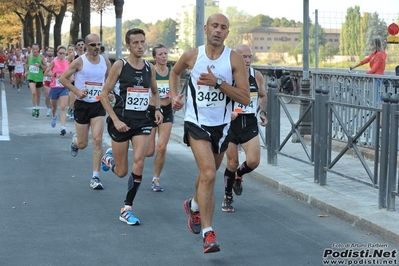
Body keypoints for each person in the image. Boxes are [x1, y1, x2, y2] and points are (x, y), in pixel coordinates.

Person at [170, 13, 250, 253]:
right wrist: (175, 96)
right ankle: (208, 233)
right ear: (206, 28)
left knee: (208, 175)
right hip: (196, 122)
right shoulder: (192, 55)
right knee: (208, 173)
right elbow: (174, 73)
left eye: (223, 27)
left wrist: (218, 83)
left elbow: (245, 97)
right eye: (214, 26)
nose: (218, 30)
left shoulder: (234, 59)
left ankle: (194, 204)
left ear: (227, 32)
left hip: (223, 126)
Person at [100, 28, 163, 225]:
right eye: (135, 43)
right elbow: (103, 95)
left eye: (142, 42)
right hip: (121, 121)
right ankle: (110, 159)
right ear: (128, 45)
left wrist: (158, 109)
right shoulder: (120, 65)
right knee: (121, 173)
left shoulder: (148, 68)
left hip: (142, 121)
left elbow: (155, 91)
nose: (140, 46)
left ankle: (127, 208)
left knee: (140, 161)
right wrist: (116, 120)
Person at [59, 34, 112, 189]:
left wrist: (109, 92)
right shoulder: (79, 61)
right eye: (93, 45)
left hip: (98, 104)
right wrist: (76, 91)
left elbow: (109, 81)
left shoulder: (105, 61)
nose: (96, 47)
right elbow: (63, 78)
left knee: (97, 139)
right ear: (86, 46)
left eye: (98, 44)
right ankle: (75, 142)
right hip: (82, 104)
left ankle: (95, 177)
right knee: (83, 144)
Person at [221, 44, 267, 213]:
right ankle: (227, 197)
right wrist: (228, 111)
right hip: (231, 123)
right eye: (243, 57)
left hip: (249, 123)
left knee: (253, 161)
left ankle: (238, 176)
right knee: (232, 162)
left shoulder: (257, 76)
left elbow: (262, 95)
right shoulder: (227, 75)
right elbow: (219, 97)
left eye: (250, 57)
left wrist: (262, 112)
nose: (247, 60)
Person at [146, 44, 173, 192]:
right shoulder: (151, 72)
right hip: (151, 110)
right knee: (149, 151)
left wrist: (176, 100)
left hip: (167, 111)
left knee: (161, 147)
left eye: (165, 53)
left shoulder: (172, 72)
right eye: (160, 54)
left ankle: (156, 179)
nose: (164, 56)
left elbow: (174, 91)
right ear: (155, 57)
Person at [44, 45, 69, 136]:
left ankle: (63, 127)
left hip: (64, 87)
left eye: (64, 53)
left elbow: (70, 72)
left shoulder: (67, 62)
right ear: (57, 54)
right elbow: (46, 72)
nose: (62, 55)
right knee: (54, 107)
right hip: (54, 87)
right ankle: (54, 116)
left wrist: (70, 78)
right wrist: (54, 75)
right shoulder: (54, 62)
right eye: (60, 53)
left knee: (63, 107)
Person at [25, 44, 47, 117]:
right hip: (31, 77)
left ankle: (37, 107)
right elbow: (25, 64)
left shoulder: (41, 57)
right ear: (31, 49)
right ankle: (34, 107)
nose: (34, 50)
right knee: (33, 92)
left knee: (38, 94)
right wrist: (26, 71)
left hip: (39, 78)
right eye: (33, 49)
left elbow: (46, 67)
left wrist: (40, 66)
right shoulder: (28, 56)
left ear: (38, 50)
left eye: (36, 49)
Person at [67, 38, 85, 120]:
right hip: (73, 78)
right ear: (76, 47)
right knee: (73, 98)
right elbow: (67, 65)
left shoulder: (87, 55)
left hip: (83, 79)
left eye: (82, 44)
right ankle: (71, 109)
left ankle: (78, 111)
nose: (81, 46)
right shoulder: (72, 55)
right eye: (79, 45)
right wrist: (70, 75)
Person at [43, 47, 55, 116]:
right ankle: (48, 109)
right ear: (46, 52)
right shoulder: (44, 60)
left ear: (53, 52)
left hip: (54, 79)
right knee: (47, 95)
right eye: (49, 51)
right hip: (46, 78)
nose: (50, 52)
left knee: (53, 95)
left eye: (51, 51)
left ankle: (53, 107)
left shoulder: (56, 60)